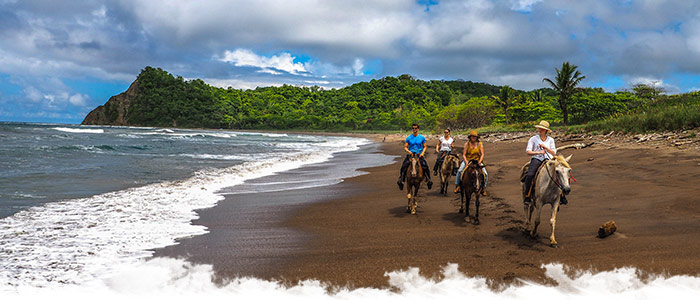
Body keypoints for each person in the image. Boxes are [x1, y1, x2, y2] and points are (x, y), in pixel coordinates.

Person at [522, 120, 566, 205]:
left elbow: (554, 152)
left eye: (542, 129)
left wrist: (546, 148)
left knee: (561, 173)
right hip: (537, 159)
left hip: (549, 159)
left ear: (546, 131)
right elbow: (528, 151)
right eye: (539, 128)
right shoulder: (533, 139)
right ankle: (527, 195)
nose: (540, 130)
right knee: (530, 174)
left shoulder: (550, 140)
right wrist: (538, 152)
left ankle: (562, 196)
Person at [397, 124, 433, 190]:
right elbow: (405, 147)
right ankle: (401, 180)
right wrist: (408, 151)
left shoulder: (421, 137)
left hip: (419, 155)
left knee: (425, 166)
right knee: (404, 166)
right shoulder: (409, 138)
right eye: (413, 128)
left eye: (416, 128)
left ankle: (428, 180)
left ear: (418, 129)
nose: (414, 130)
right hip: (411, 155)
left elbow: (425, 146)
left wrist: (422, 153)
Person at [454, 130, 487, 195]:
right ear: (470, 137)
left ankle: (483, 187)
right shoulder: (467, 144)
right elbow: (464, 154)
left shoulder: (480, 144)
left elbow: (482, 154)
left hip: (477, 160)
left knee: (485, 174)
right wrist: (466, 162)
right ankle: (457, 185)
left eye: (474, 136)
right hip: (468, 160)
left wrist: (480, 161)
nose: (473, 138)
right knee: (460, 171)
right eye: (472, 136)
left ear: (477, 137)